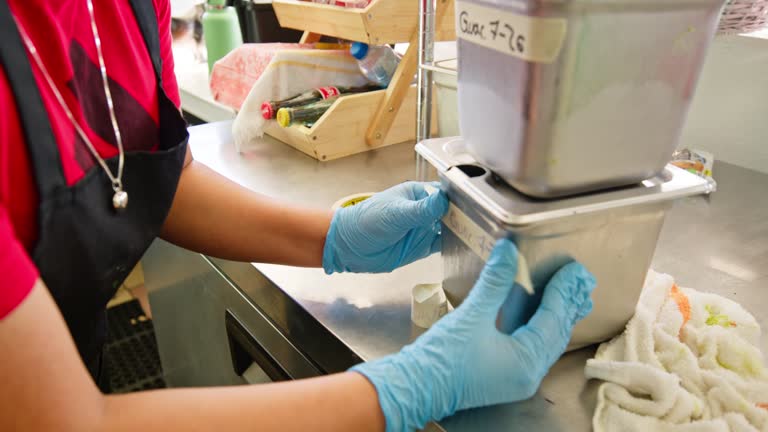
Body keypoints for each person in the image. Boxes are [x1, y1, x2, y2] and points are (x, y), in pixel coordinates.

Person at [0, 0, 596, 430]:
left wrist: (331, 236)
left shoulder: (130, 11)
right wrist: (411, 387)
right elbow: (61, 419)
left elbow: (153, 177)